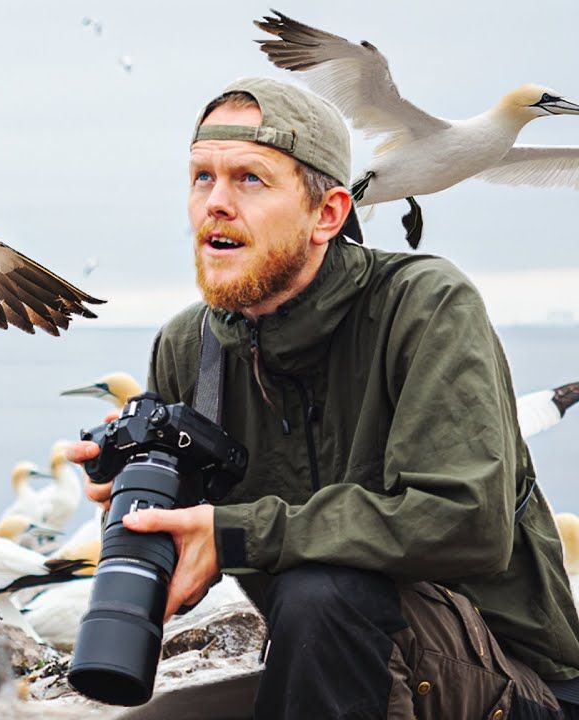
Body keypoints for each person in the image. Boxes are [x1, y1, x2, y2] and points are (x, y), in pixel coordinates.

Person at [68, 77, 579, 718]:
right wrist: (142, 505)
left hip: (509, 679)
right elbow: (198, 554)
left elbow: (466, 522)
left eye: (249, 179)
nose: (215, 205)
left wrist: (232, 534)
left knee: (324, 590)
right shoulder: (190, 348)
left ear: (328, 214)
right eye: (202, 178)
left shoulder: (424, 307)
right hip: (331, 658)